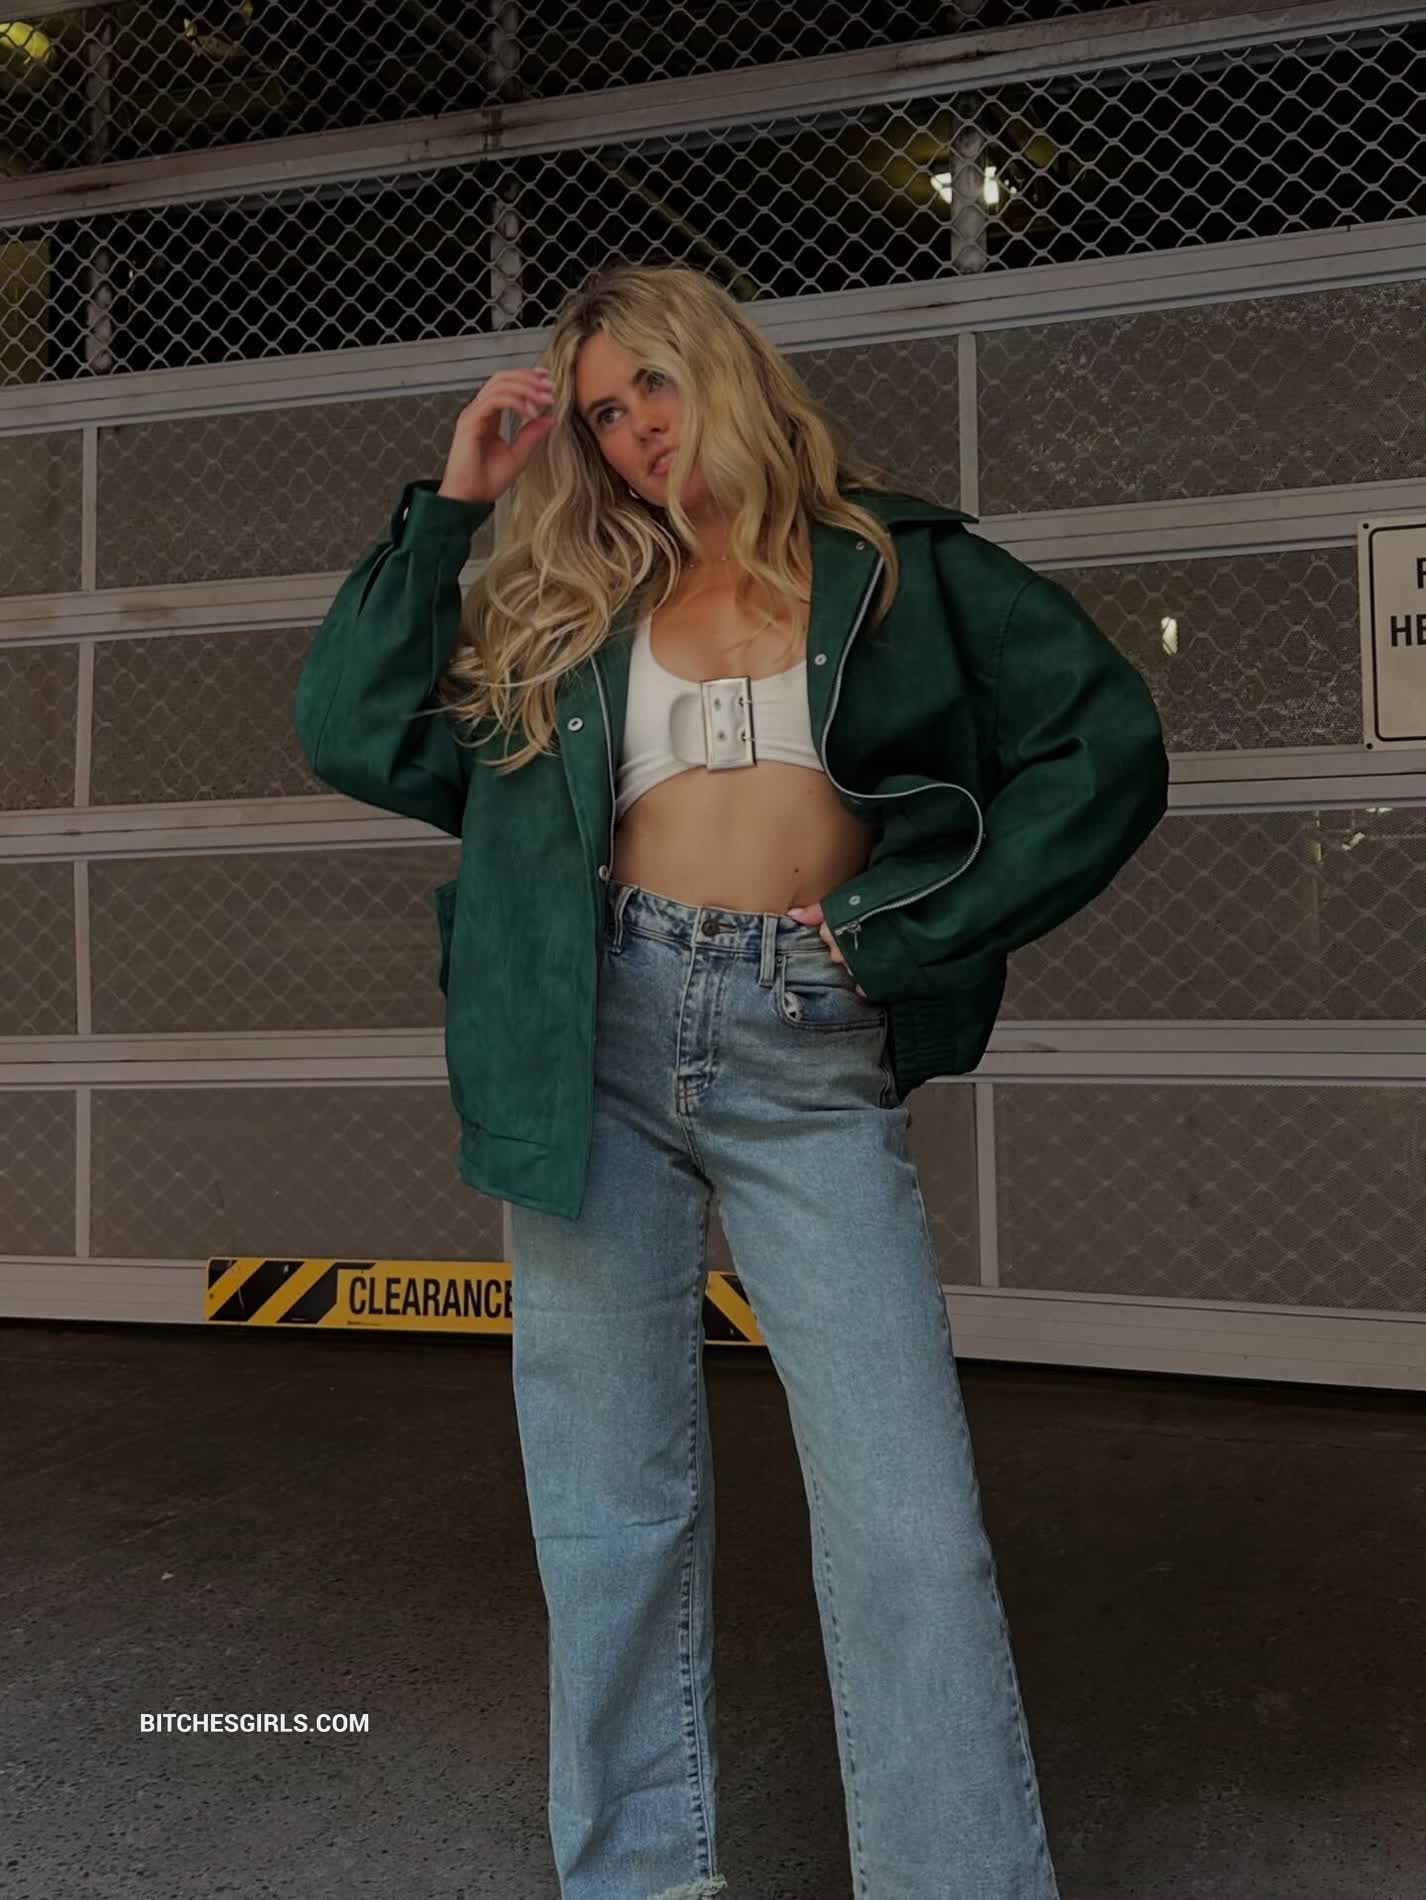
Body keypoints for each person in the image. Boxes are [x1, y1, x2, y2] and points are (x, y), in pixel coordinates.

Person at [294, 262, 1168, 1900]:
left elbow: (1104, 747)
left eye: (655, 386)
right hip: (595, 1042)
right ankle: (636, 1879)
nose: (636, 431)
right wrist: (453, 507)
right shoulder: (576, 607)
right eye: (603, 414)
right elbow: (352, 729)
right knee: (607, 1515)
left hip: (803, 1044)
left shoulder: (899, 566)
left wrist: (910, 926)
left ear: (725, 371)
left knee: (910, 1528)